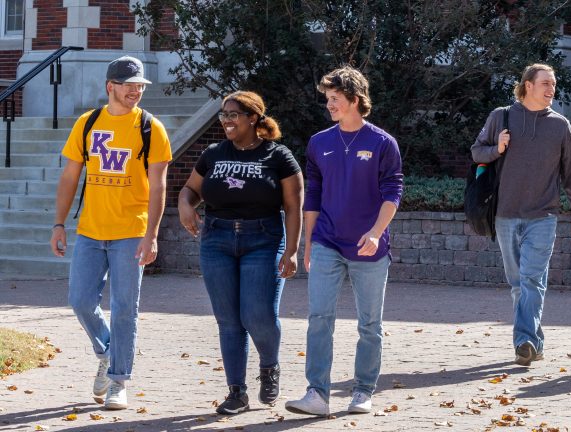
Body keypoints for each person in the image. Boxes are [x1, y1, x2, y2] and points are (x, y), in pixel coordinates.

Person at [49, 56, 172, 409]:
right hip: (90, 230)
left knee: (124, 308)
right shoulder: (87, 123)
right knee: (80, 301)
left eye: (140, 86)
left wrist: (151, 234)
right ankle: (106, 352)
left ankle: (119, 380)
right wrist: (59, 224)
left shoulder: (151, 128)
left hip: (131, 231)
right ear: (110, 86)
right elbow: (70, 177)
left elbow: (159, 187)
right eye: (129, 85)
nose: (136, 91)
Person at [285, 66, 403, 416]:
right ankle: (317, 394)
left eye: (335, 98)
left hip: (369, 247)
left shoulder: (383, 143)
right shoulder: (319, 142)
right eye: (328, 99)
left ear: (355, 99)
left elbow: (393, 191)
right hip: (327, 242)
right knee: (319, 317)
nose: (330, 105)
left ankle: (363, 390)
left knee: (370, 325)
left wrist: (376, 232)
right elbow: (314, 194)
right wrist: (308, 243)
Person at [177, 91, 303, 414]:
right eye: (223, 115)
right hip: (216, 240)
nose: (227, 121)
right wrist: (185, 205)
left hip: (263, 240)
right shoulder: (213, 153)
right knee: (228, 319)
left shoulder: (278, 156)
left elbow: (293, 206)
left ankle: (269, 366)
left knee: (258, 314)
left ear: (253, 118)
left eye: (233, 115)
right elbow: (190, 190)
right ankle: (237, 392)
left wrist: (291, 251)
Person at [470, 63, 571, 367]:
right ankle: (535, 341)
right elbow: (477, 152)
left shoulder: (560, 125)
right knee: (518, 284)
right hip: (505, 214)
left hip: (543, 216)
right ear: (528, 86)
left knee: (532, 280)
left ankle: (523, 342)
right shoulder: (501, 117)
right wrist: (497, 148)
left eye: (553, 83)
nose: (552, 89)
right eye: (546, 83)